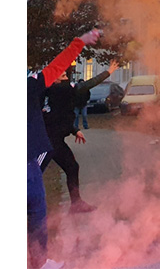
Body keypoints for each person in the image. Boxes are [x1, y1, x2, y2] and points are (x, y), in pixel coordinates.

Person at [28, 28, 101, 269]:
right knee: (36, 211)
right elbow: (56, 67)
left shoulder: (36, 87)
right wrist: (79, 43)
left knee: (35, 210)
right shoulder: (36, 86)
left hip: (34, 155)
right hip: (30, 159)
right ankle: (38, 261)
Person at [41, 59, 119, 213]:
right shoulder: (62, 89)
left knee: (72, 166)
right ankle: (34, 212)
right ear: (54, 79)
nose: (64, 74)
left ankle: (76, 204)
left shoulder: (52, 92)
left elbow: (58, 117)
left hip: (54, 140)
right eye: (61, 74)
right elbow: (87, 84)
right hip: (46, 141)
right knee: (34, 173)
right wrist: (107, 72)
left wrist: (74, 129)